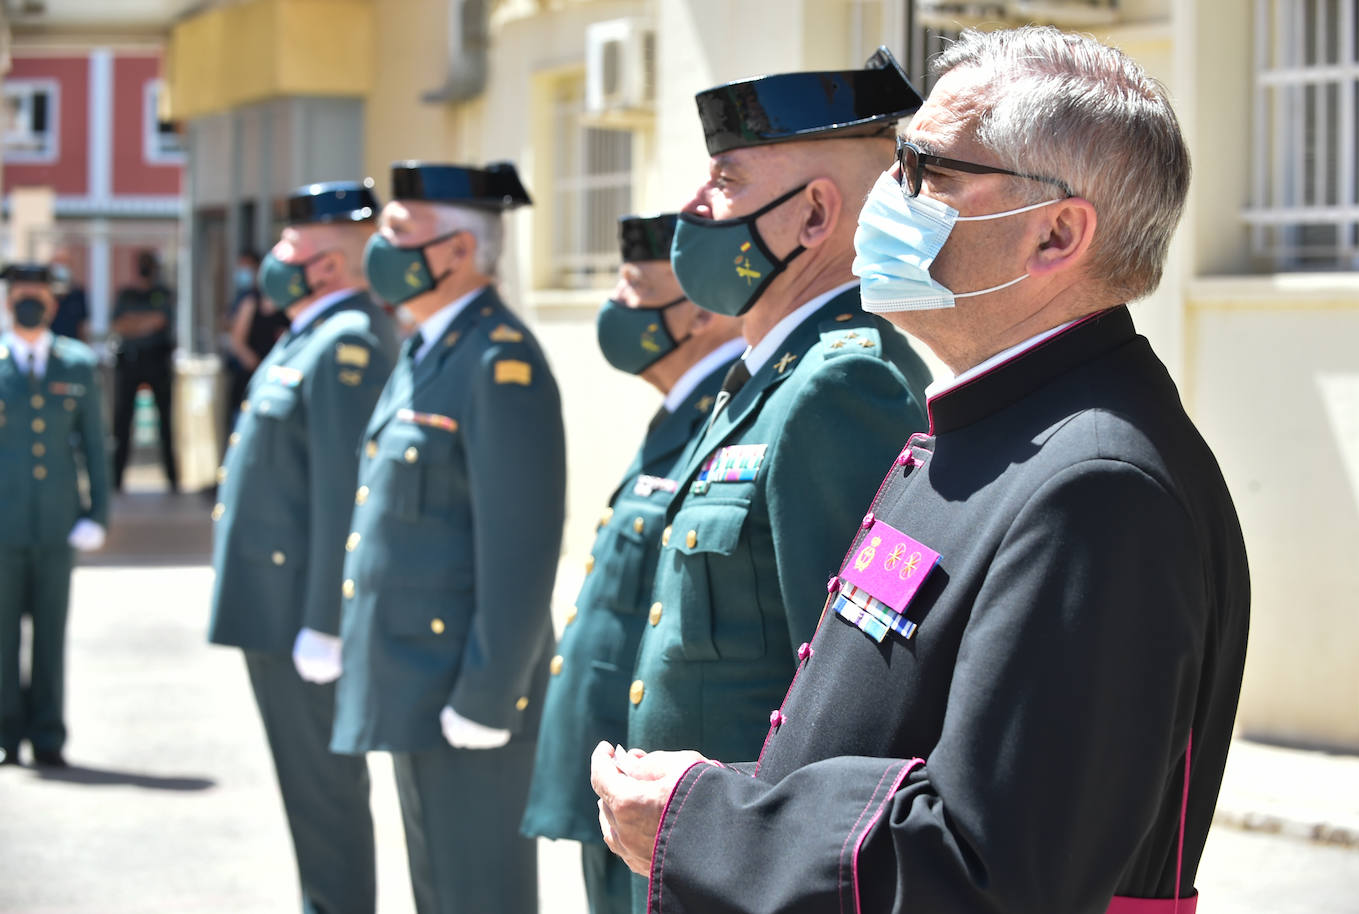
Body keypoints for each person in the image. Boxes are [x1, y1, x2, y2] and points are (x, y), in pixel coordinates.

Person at [592, 26, 1251, 914]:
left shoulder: (1097, 487)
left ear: (1056, 234)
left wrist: (702, 818)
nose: (886, 203)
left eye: (929, 175)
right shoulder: (998, 428)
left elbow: (990, 867)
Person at [611, 46, 933, 910]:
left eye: (725, 179)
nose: (691, 207)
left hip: (747, 872)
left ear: (814, 216)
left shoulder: (839, 386)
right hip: (689, 856)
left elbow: (849, 700)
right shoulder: (765, 380)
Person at [332, 161, 566, 914]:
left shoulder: (500, 361)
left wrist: (490, 694)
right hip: (416, 680)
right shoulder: (427, 347)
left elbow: (522, 549)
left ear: (460, 251)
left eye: (400, 233)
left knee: (479, 893)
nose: (381, 247)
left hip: (464, 689)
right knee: (440, 890)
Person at [520, 213, 745, 914]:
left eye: (631, 286)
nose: (615, 305)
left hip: (661, 783)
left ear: (701, 312)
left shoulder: (723, 412)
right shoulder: (679, 411)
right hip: (619, 778)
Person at [207, 181, 396, 914]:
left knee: (324, 799)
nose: (274, 260)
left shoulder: (347, 340)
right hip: (275, 608)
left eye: (290, 246)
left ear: (327, 266)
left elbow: (343, 493)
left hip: (299, 619)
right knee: (306, 792)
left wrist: (325, 620)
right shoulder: (308, 332)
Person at [0, 263, 109, 768]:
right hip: (4, 525)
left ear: (52, 302)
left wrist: (97, 513)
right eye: (21, 294)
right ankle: (5, 735)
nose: (29, 302)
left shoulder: (76, 363)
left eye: (38, 295)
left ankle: (48, 733)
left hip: (56, 523)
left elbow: (94, 445)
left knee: (50, 632)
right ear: (7, 300)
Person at [111, 249, 178, 492]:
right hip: (130, 362)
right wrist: (146, 323)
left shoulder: (163, 294)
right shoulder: (126, 294)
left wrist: (135, 322)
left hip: (157, 361)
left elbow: (162, 320)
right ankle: (116, 480)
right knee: (121, 424)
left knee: (166, 424)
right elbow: (120, 325)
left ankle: (173, 479)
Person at [223, 248, 289, 437]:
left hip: (278, 381)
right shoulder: (249, 301)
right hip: (250, 379)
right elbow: (237, 341)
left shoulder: (287, 303)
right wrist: (259, 369)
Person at [48, 247, 90, 343]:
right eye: (58, 261)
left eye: (65, 262)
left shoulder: (78, 293)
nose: (61, 266)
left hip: (72, 345)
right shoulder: (46, 293)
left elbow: (81, 326)